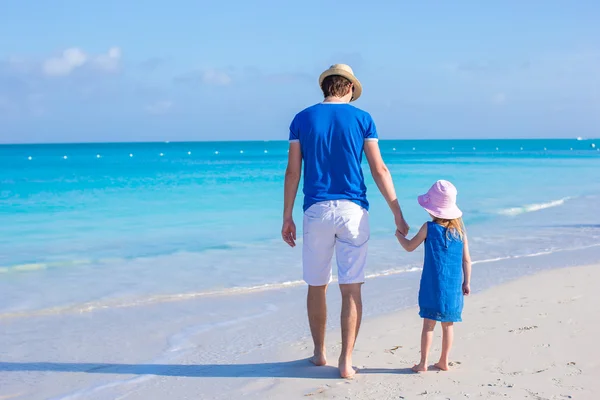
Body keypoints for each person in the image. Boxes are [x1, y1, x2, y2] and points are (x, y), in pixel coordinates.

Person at [281, 64, 409, 379]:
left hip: (316, 211)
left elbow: (293, 171)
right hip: (353, 212)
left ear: (325, 87)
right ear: (349, 89)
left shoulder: (302, 119)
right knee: (351, 288)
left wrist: (286, 216)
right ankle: (346, 361)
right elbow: (380, 170)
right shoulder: (363, 119)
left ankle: (319, 353)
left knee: (317, 285)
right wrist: (398, 213)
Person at [395, 180, 472, 372]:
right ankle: (444, 361)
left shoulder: (429, 227)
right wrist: (466, 282)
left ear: (433, 209)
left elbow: (409, 247)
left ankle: (423, 364)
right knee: (448, 325)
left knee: (428, 325)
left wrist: (398, 235)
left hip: (432, 285)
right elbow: (467, 260)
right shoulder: (460, 231)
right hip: (453, 286)